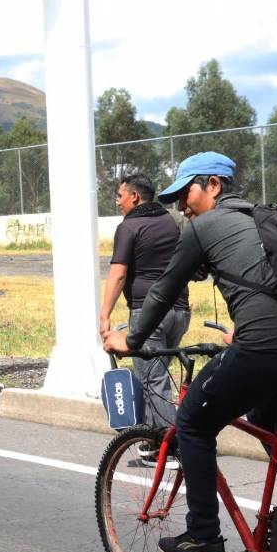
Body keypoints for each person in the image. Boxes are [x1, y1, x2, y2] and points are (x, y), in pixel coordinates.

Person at [102, 152, 277, 552]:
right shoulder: (267, 221)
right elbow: (270, 285)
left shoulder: (207, 226)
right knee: (271, 421)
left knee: (192, 422)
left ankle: (203, 537)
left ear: (213, 185)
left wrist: (132, 338)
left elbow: (162, 290)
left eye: (186, 194)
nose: (181, 206)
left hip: (265, 350)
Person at [99, 174, 191, 465]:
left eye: (119, 195)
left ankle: (167, 446)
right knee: (159, 375)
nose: (117, 201)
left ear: (134, 197)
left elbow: (118, 273)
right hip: (180, 311)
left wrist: (104, 314)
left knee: (153, 379)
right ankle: (162, 439)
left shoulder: (129, 227)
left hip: (148, 313)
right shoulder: (171, 221)